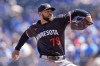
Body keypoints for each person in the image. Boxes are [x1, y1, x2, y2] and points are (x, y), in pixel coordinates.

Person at [12, 3, 93, 66]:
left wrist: (87, 15)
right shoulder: (35, 27)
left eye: (51, 11)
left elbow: (75, 12)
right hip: (44, 62)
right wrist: (17, 49)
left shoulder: (58, 20)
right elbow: (25, 35)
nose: (50, 13)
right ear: (40, 13)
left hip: (61, 61)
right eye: (47, 11)